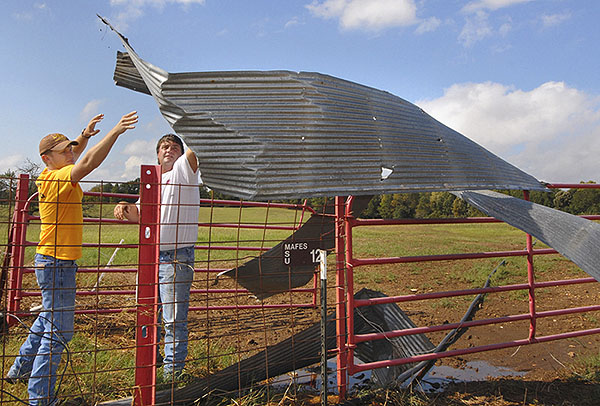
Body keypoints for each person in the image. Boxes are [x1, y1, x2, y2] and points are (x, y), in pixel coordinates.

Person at [6, 111, 138, 405]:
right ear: (47, 158)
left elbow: (77, 150)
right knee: (60, 331)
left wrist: (85, 134)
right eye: (64, 150)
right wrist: (114, 132)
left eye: (70, 148)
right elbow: (88, 162)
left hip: (51, 260)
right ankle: (40, 398)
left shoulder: (51, 172)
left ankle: (19, 370)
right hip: (58, 263)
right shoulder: (58, 177)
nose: (71, 152)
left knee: (47, 319)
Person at [114, 133, 200, 380]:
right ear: (157, 154)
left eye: (175, 147)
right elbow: (137, 214)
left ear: (181, 153)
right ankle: (153, 365)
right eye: (164, 146)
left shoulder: (184, 171)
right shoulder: (152, 182)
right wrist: (121, 204)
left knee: (173, 320)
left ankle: (172, 375)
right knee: (150, 315)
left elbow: (195, 147)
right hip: (151, 259)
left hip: (176, 259)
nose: (169, 149)